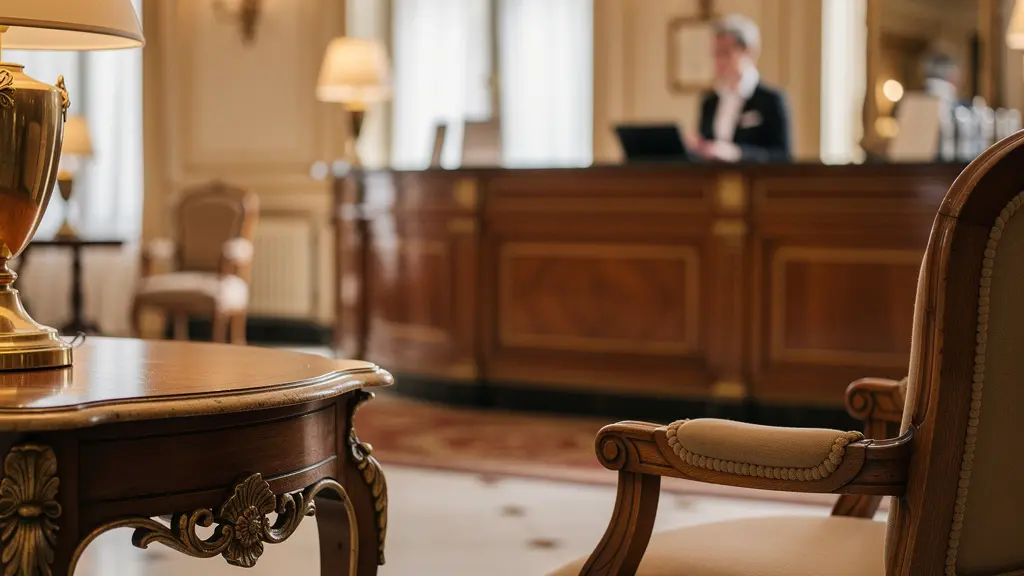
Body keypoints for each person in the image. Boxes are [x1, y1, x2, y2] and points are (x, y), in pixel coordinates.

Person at [685, 14, 792, 163]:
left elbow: (782, 155)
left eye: (725, 53)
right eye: (715, 54)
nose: (719, 61)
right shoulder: (709, 101)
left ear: (748, 52)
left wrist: (737, 153)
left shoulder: (771, 99)